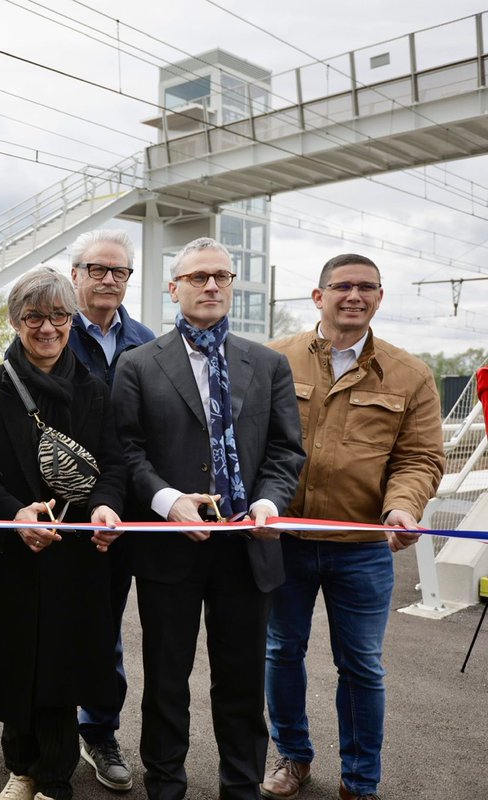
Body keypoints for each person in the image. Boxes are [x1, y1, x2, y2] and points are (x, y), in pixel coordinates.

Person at [111, 237, 305, 800]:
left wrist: (268, 503)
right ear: (174, 287)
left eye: (222, 275)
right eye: (199, 277)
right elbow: (127, 449)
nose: (213, 285)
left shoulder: (267, 363)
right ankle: (165, 785)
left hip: (247, 546)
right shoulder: (138, 364)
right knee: (167, 682)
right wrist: (167, 500)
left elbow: (286, 450)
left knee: (242, 684)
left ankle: (240, 787)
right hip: (170, 547)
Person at [260, 254, 444, 800]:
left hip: (361, 546)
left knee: (361, 666)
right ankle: (292, 757)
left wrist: (401, 508)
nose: (354, 296)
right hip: (285, 540)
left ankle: (360, 778)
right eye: (342, 286)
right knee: (280, 652)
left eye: (367, 287)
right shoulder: (275, 360)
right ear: (318, 297)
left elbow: (419, 458)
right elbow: (249, 445)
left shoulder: (410, 373)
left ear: (380, 298)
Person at [0, 267, 126, 800]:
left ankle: (53, 779)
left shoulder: (95, 393)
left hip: (74, 556)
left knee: (61, 668)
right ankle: (21, 769)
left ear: (73, 322)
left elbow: (115, 466)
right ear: (15, 321)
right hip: (7, 552)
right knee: (13, 664)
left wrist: (103, 508)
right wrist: (14, 514)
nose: (47, 327)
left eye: (58, 316)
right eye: (33, 317)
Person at [65, 228, 155, 793]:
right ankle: (44, 735)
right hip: (54, 508)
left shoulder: (147, 342)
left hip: (119, 511)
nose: (107, 279)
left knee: (104, 630)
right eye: (97, 269)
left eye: (118, 272)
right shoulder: (46, 324)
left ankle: (99, 731)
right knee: (46, 623)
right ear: (75, 274)